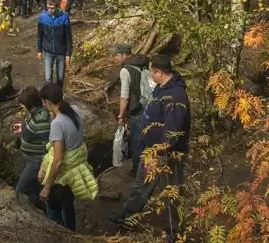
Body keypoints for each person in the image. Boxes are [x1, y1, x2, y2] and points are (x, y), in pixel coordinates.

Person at [110, 55, 189, 240]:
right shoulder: (162, 88)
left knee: (170, 191)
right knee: (141, 185)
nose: (150, 76)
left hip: (166, 154)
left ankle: (174, 232)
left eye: (152, 72)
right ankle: (127, 217)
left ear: (159, 73)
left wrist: (157, 153)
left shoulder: (176, 96)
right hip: (151, 150)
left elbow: (172, 133)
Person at [38, 82, 98, 231]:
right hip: (76, 169)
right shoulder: (74, 110)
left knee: (53, 210)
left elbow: (58, 160)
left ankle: (62, 236)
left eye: (43, 102)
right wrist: (54, 115)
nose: (43, 105)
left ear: (48, 102)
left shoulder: (57, 124)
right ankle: (72, 232)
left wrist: (47, 187)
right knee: (68, 204)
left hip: (64, 175)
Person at [115, 50, 154, 175]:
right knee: (148, 139)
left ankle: (138, 171)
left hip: (136, 108)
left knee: (137, 140)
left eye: (117, 54)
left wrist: (121, 115)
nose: (115, 58)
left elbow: (124, 96)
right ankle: (149, 168)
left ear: (125, 55)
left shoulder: (125, 70)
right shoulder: (143, 64)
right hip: (150, 105)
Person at [13, 86, 52, 209]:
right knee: (33, 188)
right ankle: (41, 208)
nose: (21, 106)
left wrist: (43, 168)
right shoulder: (34, 113)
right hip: (30, 159)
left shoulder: (41, 120)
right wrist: (21, 128)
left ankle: (41, 209)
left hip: (36, 162)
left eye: (23, 104)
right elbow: (30, 126)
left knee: (20, 190)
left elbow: (47, 146)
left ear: (31, 105)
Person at [36, 0, 73, 88]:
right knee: (48, 78)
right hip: (48, 51)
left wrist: (68, 54)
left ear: (57, 7)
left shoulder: (64, 17)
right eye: (48, 8)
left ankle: (59, 94)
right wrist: (39, 50)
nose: (50, 10)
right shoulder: (42, 17)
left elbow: (68, 37)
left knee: (60, 78)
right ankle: (50, 95)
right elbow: (40, 34)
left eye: (52, 8)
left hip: (61, 51)